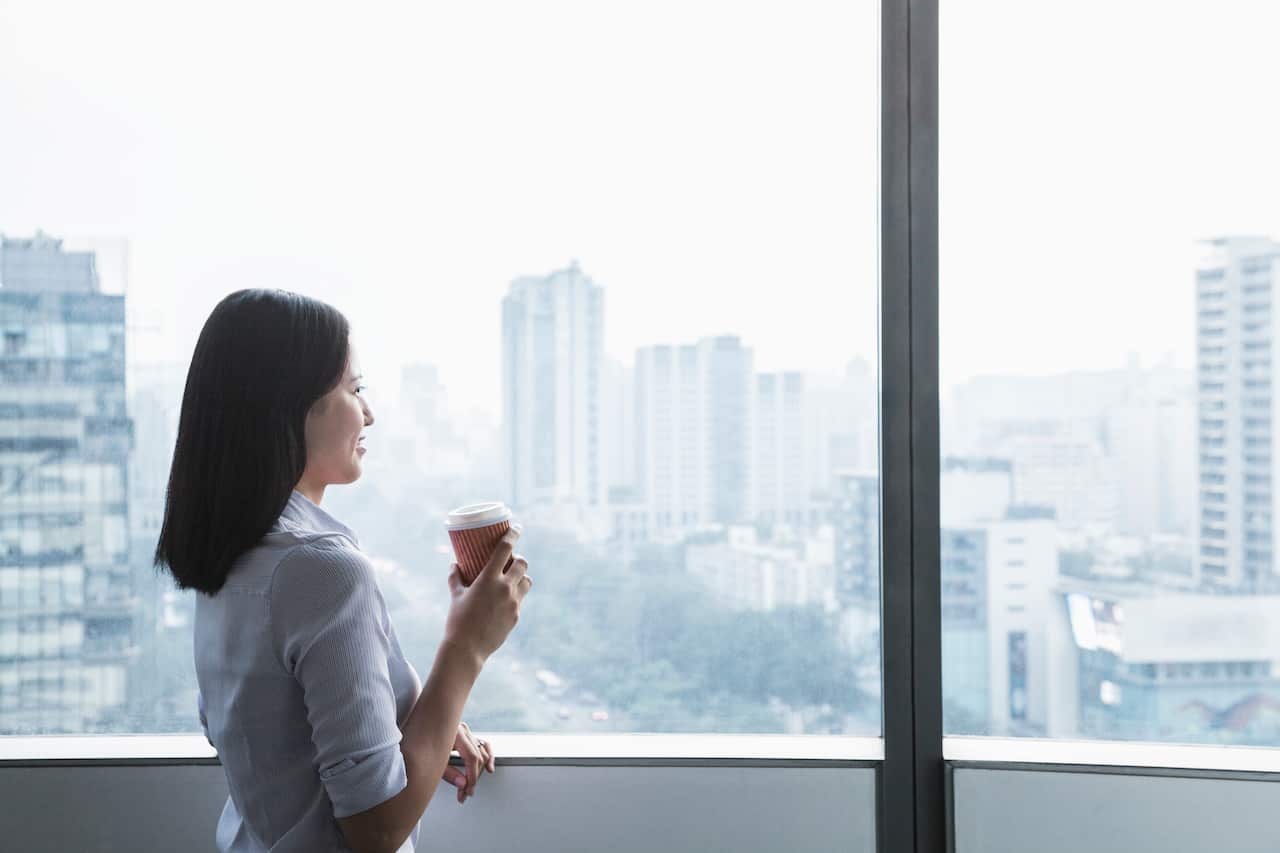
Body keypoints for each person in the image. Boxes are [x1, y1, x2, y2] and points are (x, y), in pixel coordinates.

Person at [154, 289, 532, 852]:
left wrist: (411, 719)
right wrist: (468, 647)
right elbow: (375, 832)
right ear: (292, 408)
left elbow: (271, 733)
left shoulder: (234, 553)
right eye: (355, 390)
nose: (369, 413)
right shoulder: (320, 569)